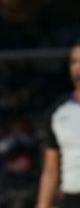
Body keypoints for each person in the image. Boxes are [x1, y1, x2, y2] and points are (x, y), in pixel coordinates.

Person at [36, 42, 80, 208]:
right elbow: (50, 170)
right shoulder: (57, 113)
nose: (78, 67)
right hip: (72, 199)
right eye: (74, 62)